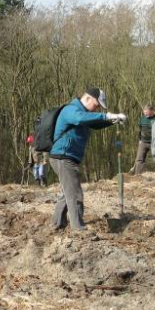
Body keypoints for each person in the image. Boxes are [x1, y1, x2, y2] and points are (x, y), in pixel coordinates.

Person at [49, 88, 126, 231]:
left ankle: (57, 223)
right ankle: (78, 228)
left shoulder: (83, 113)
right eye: (97, 105)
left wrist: (113, 121)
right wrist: (106, 116)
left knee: (67, 193)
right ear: (89, 98)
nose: (96, 109)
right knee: (75, 194)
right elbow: (80, 118)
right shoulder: (71, 110)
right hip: (63, 157)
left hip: (65, 156)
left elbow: (94, 124)